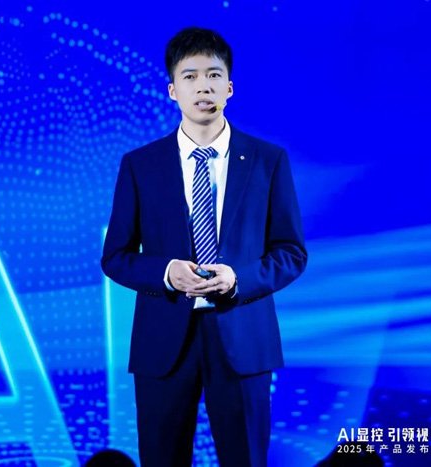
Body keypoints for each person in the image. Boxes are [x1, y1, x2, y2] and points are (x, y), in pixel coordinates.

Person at [101, 27, 307, 467]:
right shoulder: (140, 165)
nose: (203, 86)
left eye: (214, 75)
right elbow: (116, 256)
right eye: (190, 76)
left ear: (229, 87)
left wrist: (238, 279)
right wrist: (165, 273)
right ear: (172, 90)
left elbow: (291, 252)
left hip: (243, 338)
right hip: (163, 342)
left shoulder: (268, 160)